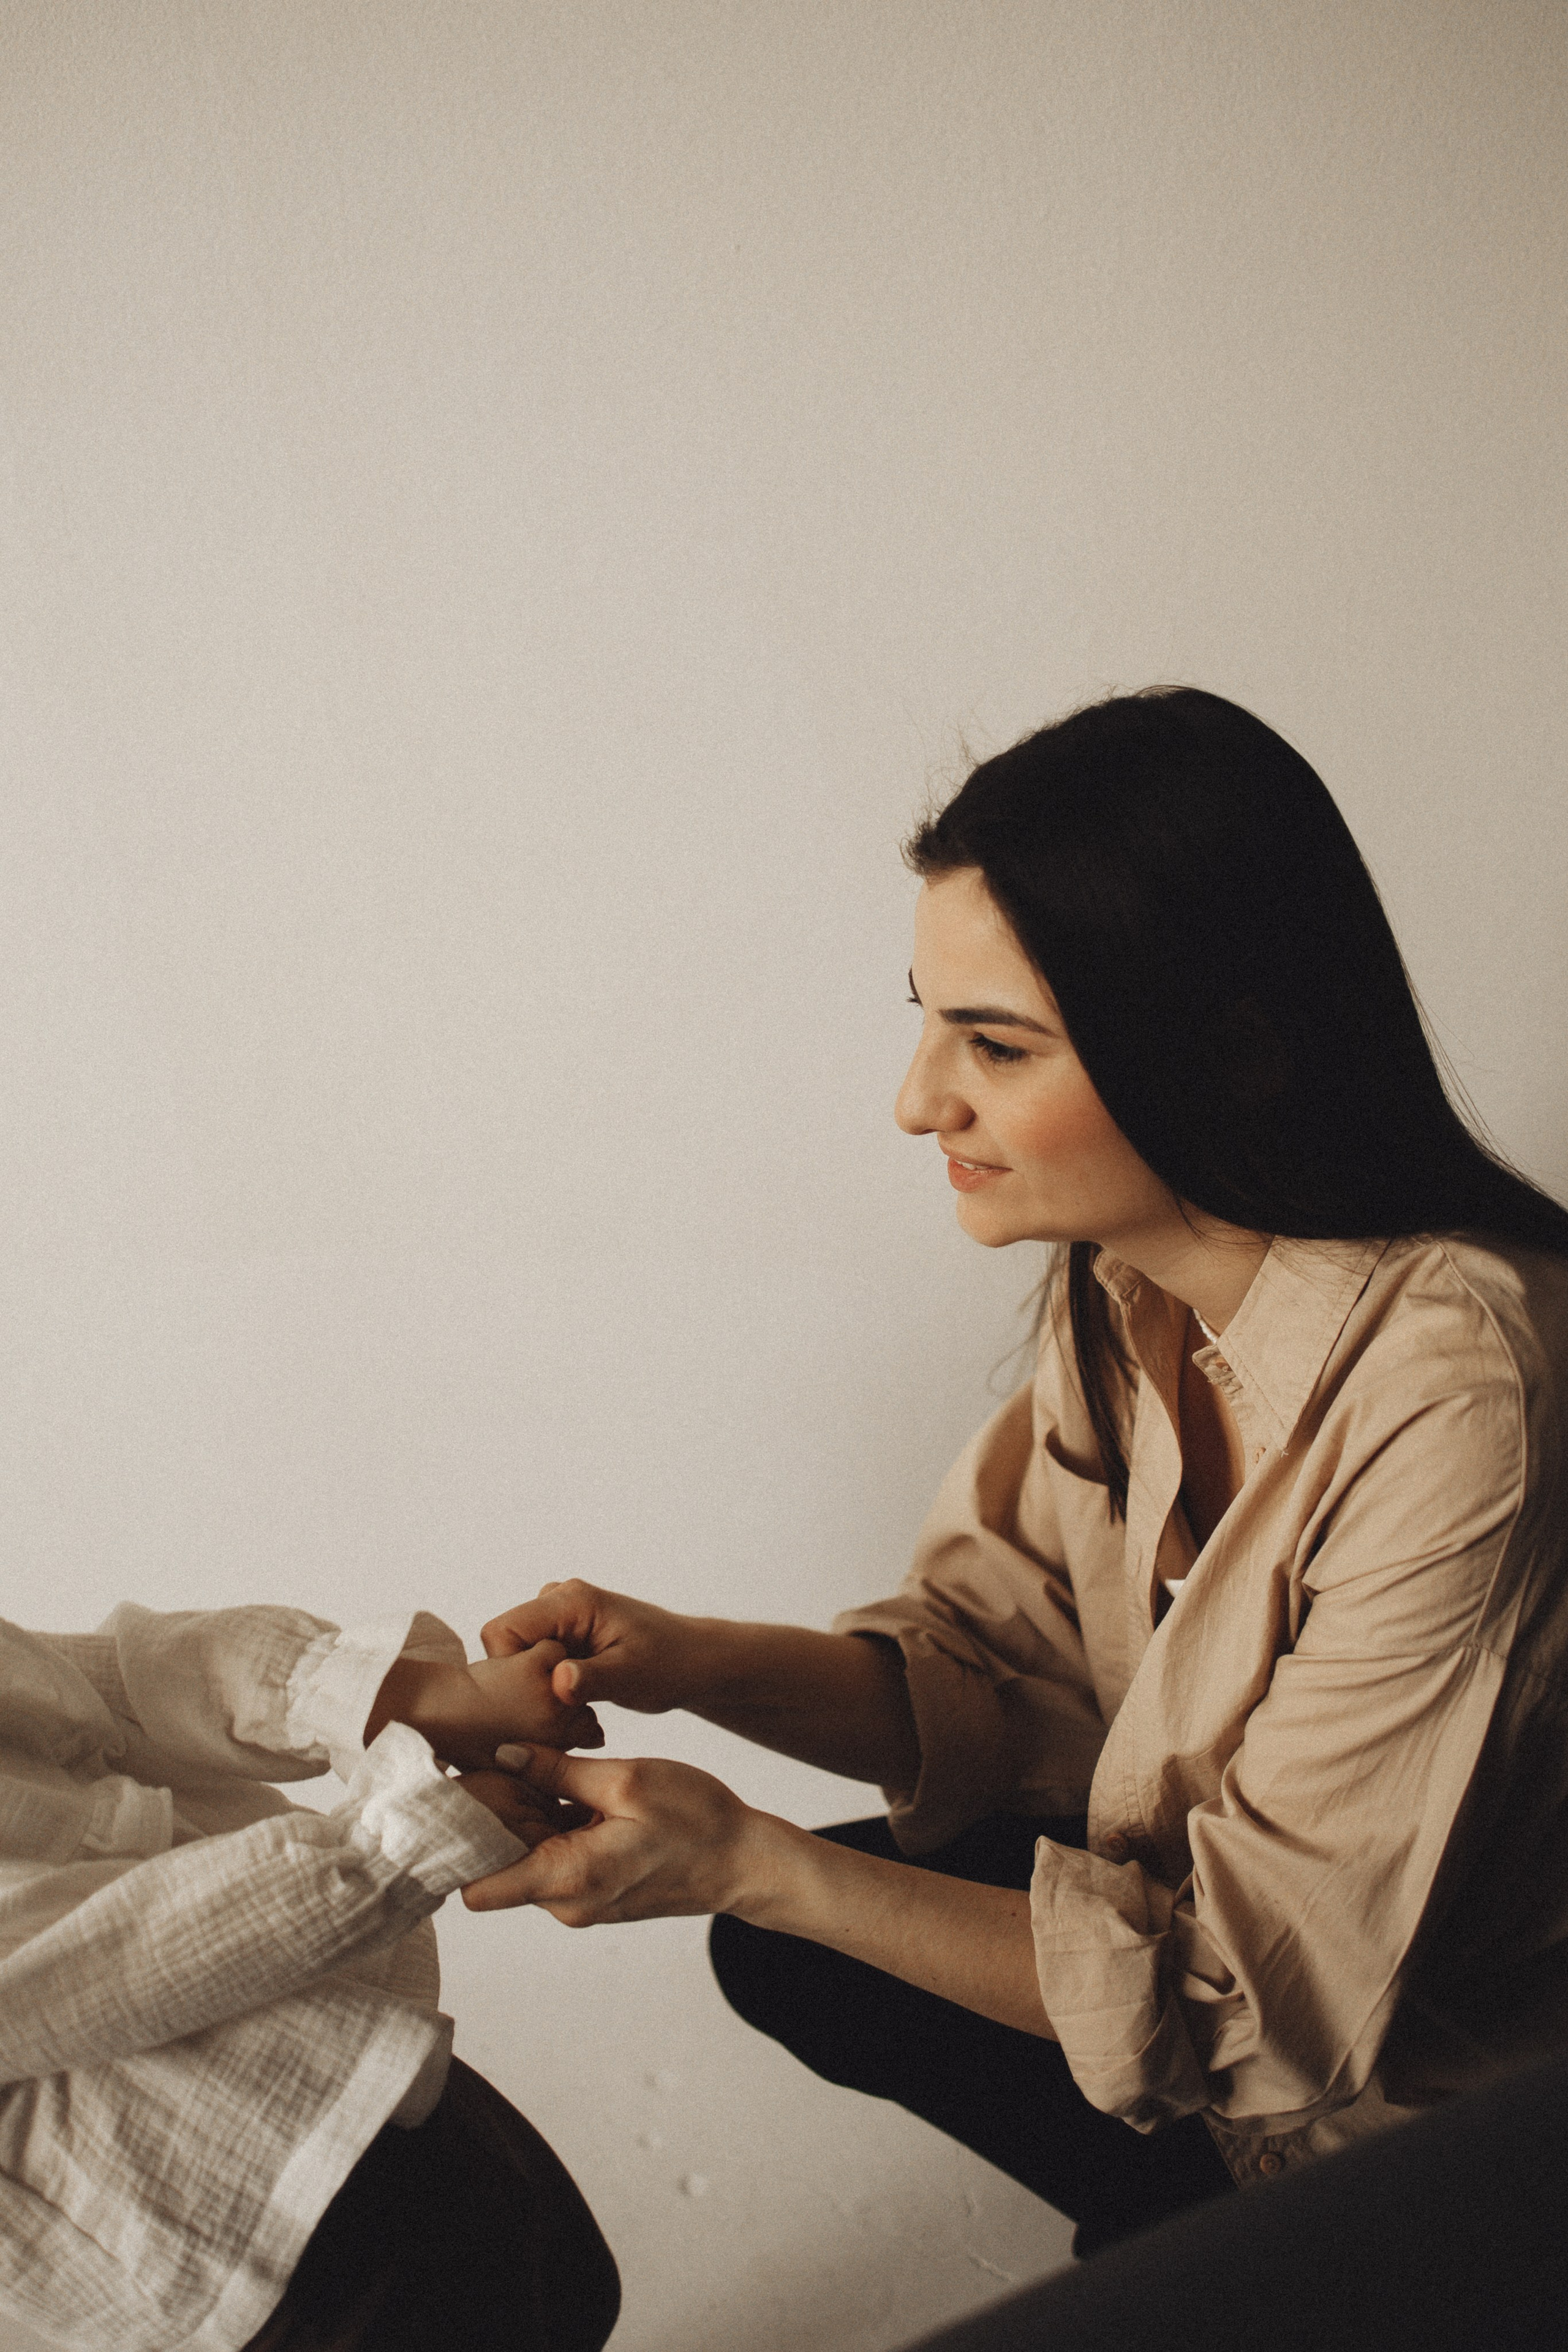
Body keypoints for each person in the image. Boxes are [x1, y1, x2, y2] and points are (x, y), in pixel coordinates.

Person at [462, 687, 1568, 2259]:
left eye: (993, 1043)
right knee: (786, 1955)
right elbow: (1006, 1675)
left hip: (1422, 2128)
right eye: (923, 1018)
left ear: (1231, 1049)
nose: (918, 1100)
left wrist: (745, 1857)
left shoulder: (1462, 1392)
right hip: (1240, 2043)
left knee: (788, 1916)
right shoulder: (1126, 1284)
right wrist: (677, 1661)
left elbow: (1268, 2005)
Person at [0, 1598, 619, 2351]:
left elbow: (86, 1691)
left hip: (350, 2051)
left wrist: (412, 1698)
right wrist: (398, 1844)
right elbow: (98, 1966)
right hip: (230, 2219)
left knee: (570, 2288)